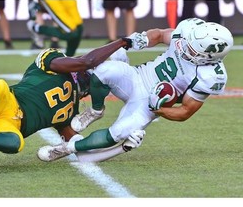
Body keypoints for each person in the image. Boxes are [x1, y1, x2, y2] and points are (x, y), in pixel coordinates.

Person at [37, 18, 234, 162]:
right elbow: (158, 34)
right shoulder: (188, 31)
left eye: (191, 49)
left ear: (208, 56)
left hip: (149, 102)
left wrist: (159, 110)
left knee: (121, 132)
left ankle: (67, 148)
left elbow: (185, 111)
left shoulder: (210, 75)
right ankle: (96, 111)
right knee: (104, 70)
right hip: (137, 76)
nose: (183, 46)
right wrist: (136, 41)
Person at [0, 34, 144, 154]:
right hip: (5, 100)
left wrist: (120, 145)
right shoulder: (52, 60)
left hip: (11, 125)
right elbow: (87, 61)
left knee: (14, 144)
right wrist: (122, 41)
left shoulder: (72, 112)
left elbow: (78, 145)